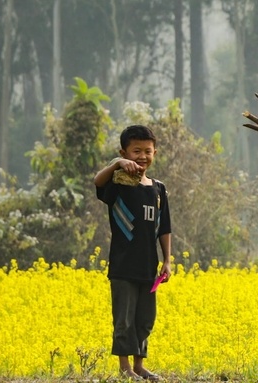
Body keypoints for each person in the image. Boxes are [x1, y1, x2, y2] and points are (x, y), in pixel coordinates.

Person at [93, 124, 172, 381]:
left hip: (149, 267)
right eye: (136, 151)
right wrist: (117, 164)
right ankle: (124, 367)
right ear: (124, 153)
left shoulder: (159, 189)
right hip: (123, 266)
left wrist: (167, 261)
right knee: (124, 319)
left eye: (147, 151)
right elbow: (97, 181)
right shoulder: (118, 182)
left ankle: (139, 366)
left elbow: (164, 228)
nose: (142, 156)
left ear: (155, 153)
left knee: (145, 319)